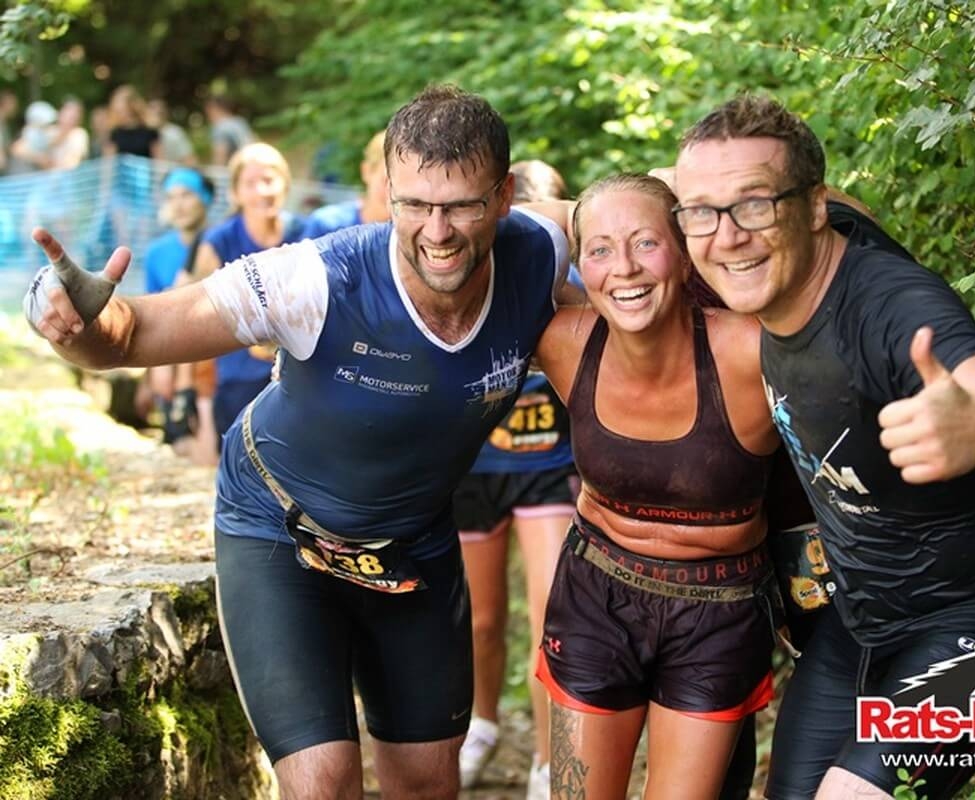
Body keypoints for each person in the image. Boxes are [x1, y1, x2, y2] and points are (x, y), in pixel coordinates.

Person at [23, 84, 572, 800]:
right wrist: (78, 320)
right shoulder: (318, 278)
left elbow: (628, 224)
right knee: (322, 781)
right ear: (387, 193)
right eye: (414, 205)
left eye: (461, 206)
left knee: (427, 781)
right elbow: (137, 334)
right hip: (279, 529)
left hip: (412, 542)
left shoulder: (539, 249)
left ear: (503, 198)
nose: (436, 231)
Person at [672, 95, 975, 800]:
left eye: (755, 205)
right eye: (702, 211)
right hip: (860, 621)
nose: (727, 236)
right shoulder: (765, 276)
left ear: (814, 207)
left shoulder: (889, 305)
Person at [531, 173, 783, 800]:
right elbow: (484, 228)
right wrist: (583, 209)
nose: (624, 268)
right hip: (596, 592)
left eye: (646, 242)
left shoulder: (749, 351)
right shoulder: (564, 342)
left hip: (719, 607)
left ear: (686, 250)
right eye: (599, 249)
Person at [453, 158, 576, 799]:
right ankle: (482, 725)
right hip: (474, 470)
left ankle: (548, 761)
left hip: (547, 468)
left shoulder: (575, 277)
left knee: (551, 616)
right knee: (480, 621)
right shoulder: (469, 273)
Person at [192, 142, 306, 444]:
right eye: (250, 183)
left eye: (269, 180)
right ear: (235, 193)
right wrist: (200, 411)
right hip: (236, 385)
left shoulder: (305, 234)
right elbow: (198, 327)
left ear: (285, 184)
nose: (261, 191)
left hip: (298, 383)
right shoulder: (217, 243)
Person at [141, 167, 214, 452]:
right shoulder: (156, 253)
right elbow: (150, 316)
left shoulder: (222, 242)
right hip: (172, 361)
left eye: (187, 195)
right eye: (171, 197)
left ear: (205, 198)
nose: (179, 205)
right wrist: (153, 371)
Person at [301, 130, 390, 238]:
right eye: (387, 181)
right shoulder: (327, 225)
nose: (396, 192)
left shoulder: (406, 236)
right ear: (366, 171)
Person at [204, 94, 256, 166]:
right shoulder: (240, 121)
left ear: (215, 109)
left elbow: (220, 157)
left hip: (237, 167)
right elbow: (254, 142)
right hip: (252, 163)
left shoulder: (220, 127)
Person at [51, 97, 90, 171]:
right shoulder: (51, 130)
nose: (69, 117)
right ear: (59, 113)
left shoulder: (79, 134)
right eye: (67, 112)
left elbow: (70, 165)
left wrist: (44, 161)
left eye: (74, 115)